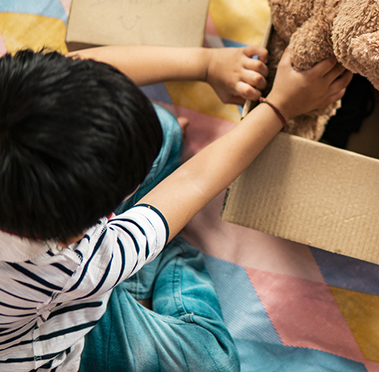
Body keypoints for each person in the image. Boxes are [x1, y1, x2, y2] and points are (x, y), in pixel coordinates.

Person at [0, 44, 351, 371]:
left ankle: (142, 256)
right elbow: (193, 183)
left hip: (43, 283)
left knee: (162, 132)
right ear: (81, 229)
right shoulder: (74, 264)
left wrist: (206, 63)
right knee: (211, 359)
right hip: (48, 332)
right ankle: (164, 256)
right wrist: (280, 107)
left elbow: (74, 73)